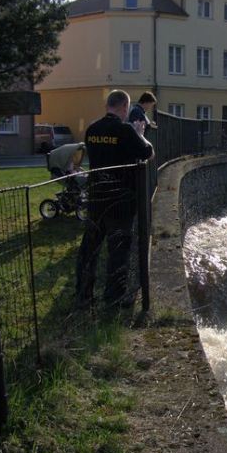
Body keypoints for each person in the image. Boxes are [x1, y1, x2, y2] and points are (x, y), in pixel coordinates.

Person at [75, 89, 153, 309]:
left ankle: (83, 295)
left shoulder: (92, 129)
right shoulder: (126, 130)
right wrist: (140, 134)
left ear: (108, 105)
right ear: (124, 108)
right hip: (121, 201)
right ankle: (114, 299)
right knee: (118, 251)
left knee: (89, 250)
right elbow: (148, 153)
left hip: (96, 198)